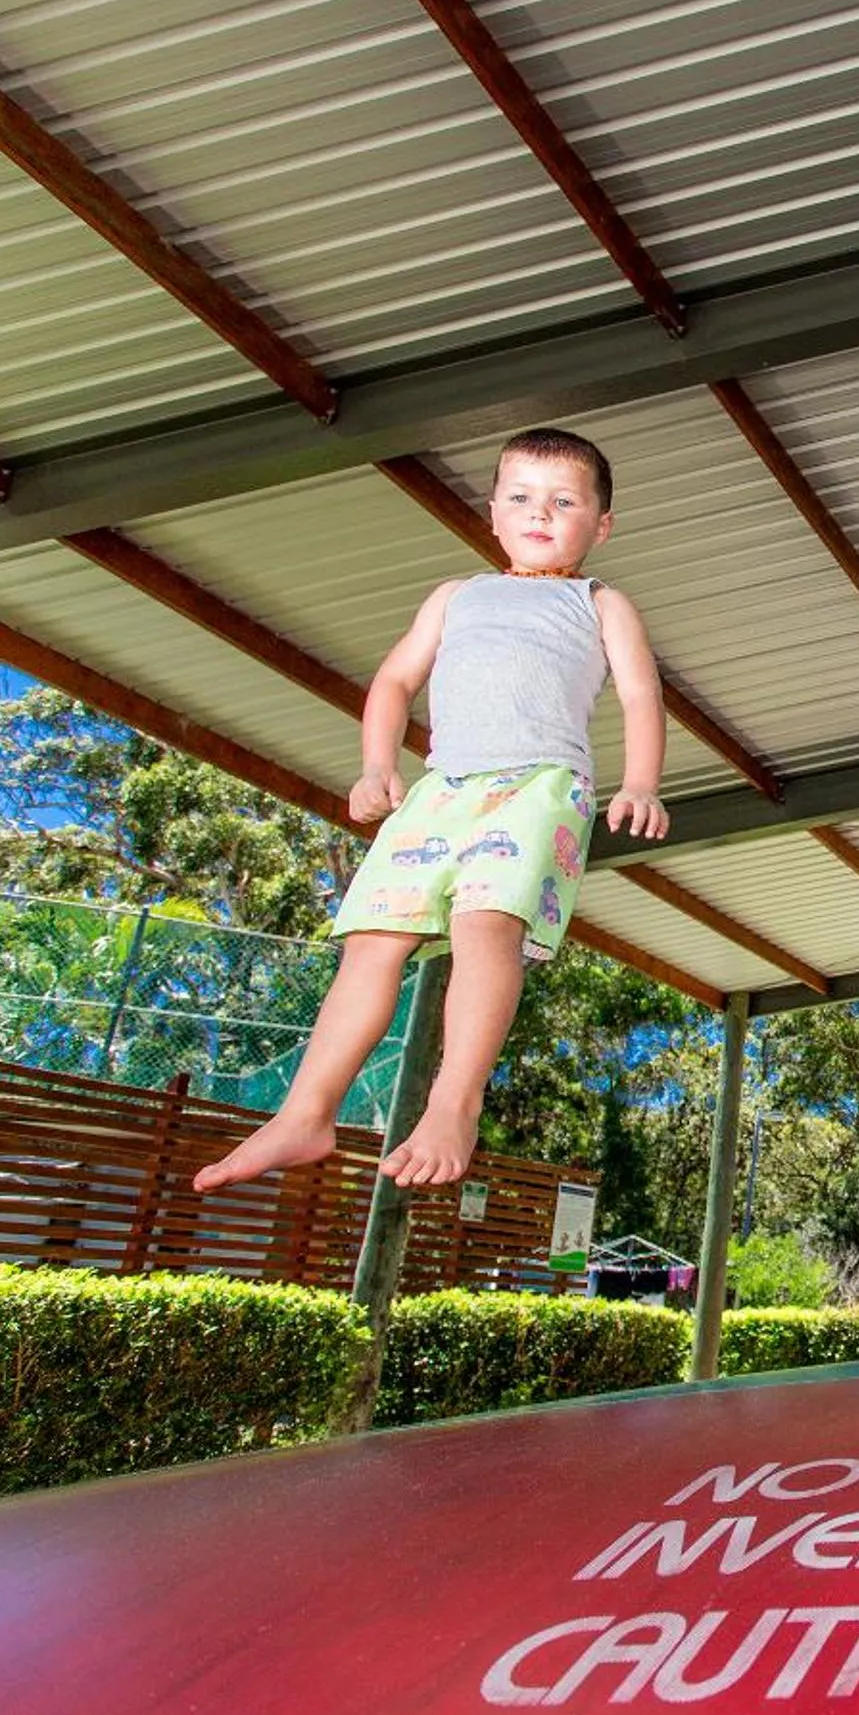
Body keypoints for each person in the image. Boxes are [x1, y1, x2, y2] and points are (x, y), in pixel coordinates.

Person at [195, 429, 669, 1192]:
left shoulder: (600, 602)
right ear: (491, 514)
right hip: (441, 788)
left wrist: (640, 782)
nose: (538, 513)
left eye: (563, 501)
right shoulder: (455, 597)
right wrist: (378, 765)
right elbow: (392, 683)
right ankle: (305, 1112)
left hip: (540, 784)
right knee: (371, 940)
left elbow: (643, 696)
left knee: (489, 924)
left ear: (601, 525)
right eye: (520, 497)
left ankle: (455, 1099)